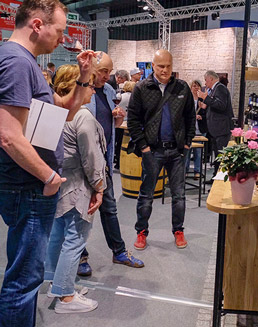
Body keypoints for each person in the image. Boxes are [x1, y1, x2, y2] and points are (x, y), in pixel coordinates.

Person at [0, 1, 94, 325]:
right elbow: (9, 136)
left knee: (27, 277)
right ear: (38, 25)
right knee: (23, 282)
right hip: (29, 187)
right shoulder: (16, 62)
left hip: (31, 187)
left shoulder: (26, 63)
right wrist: (49, 176)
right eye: (60, 29)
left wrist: (83, 78)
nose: (63, 37)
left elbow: (63, 113)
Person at [44, 64, 106, 314]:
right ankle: (66, 296)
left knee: (58, 235)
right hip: (78, 188)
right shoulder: (82, 116)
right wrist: (99, 186)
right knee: (75, 238)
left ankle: (56, 283)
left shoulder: (55, 112)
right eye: (89, 84)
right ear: (74, 86)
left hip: (58, 184)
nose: (92, 89)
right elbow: (91, 158)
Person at [78, 52, 144, 277]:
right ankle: (80, 256)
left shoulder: (108, 91)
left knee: (110, 209)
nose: (108, 76)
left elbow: (108, 125)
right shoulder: (79, 90)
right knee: (82, 212)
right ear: (92, 68)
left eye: (110, 71)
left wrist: (118, 118)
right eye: (103, 71)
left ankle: (118, 251)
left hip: (104, 162)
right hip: (82, 163)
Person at [127, 49, 195, 251]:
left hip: (177, 152)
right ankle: (141, 231)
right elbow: (133, 120)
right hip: (152, 151)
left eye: (168, 66)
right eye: (161, 66)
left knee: (179, 195)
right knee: (146, 195)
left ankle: (178, 230)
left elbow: (190, 117)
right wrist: (144, 147)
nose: (165, 70)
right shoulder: (141, 88)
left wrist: (187, 143)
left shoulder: (182, 87)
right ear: (153, 66)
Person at [197, 70, 234, 179]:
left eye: (206, 80)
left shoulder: (220, 88)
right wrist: (206, 105)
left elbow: (221, 105)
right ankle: (215, 177)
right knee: (217, 157)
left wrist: (206, 98)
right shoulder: (216, 89)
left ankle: (220, 180)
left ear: (211, 79)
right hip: (216, 130)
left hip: (221, 129)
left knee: (221, 157)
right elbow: (215, 105)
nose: (205, 83)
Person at [185, 79, 207, 180]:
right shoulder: (187, 99)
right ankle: (185, 170)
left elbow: (208, 113)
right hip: (189, 129)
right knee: (187, 151)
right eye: (194, 86)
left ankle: (197, 171)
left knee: (198, 152)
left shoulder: (203, 99)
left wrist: (201, 116)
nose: (196, 88)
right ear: (191, 87)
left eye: (198, 86)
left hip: (200, 129)